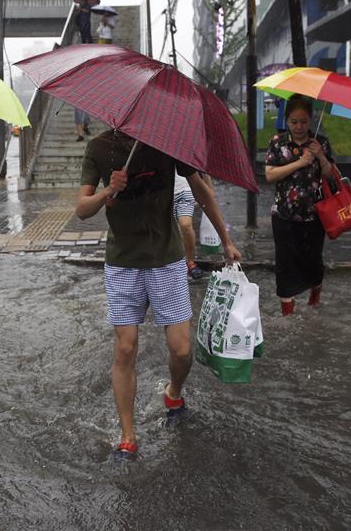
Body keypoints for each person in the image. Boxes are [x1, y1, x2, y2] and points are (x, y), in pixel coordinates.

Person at [77, 129, 241, 459]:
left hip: (166, 259)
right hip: (124, 262)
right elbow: (82, 208)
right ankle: (128, 433)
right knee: (125, 346)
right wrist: (109, 189)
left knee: (181, 350)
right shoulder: (99, 148)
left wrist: (226, 239)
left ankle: (174, 392)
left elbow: (201, 192)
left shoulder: (169, 143)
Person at [264, 95, 336, 316]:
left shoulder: (320, 142)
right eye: (294, 121)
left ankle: (315, 295)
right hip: (284, 215)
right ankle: (288, 315)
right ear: (286, 121)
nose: (299, 126)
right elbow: (269, 175)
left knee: (313, 261)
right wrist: (300, 162)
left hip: (314, 215)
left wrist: (320, 157)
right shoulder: (278, 143)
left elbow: (330, 175)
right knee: (285, 265)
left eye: (303, 121)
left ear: (311, 120)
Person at [173, 172, 204, 280]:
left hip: (185, 189)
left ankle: (190, 262)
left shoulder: (183, 154)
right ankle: (175, 263)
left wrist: (208, 188)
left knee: (185, 225)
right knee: (171, 231)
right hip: (163, 193)